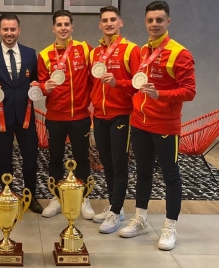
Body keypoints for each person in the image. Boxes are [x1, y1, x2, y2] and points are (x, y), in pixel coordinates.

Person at [118, 1, 196, 251]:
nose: (154, 24)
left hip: (165, 125)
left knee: (170, 176)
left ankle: (169, 227)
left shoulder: (179, 53)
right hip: (139, 123)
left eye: (159, 20)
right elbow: (136, 83)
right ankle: (140, 218)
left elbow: (190, 91)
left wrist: (160, 95)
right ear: (145, 22)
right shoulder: (142, 50)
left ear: (168, 22)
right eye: (150, 20)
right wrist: (117, 83)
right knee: (142, 173)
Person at [0, 13, 43, 214]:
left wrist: (36, 85)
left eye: (13, 29)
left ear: (19, 30)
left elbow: (35, 80)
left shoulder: (30, 53)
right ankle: (6, 194)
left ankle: (30, 196)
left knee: (31, 158)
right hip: (1, 117)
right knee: (5, 158)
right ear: (0, 30)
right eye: (5, 29)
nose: (9, 33)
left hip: (26, 117)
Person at [38, 10, 95, 219]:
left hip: (79, 116)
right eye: (59, 25)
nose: (63, 28)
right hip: (55, 117)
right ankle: (56, 198)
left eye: (66, 24)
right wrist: (46, 88)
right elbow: (40, 84)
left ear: (72, 27)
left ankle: (84, 198)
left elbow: (93, 78)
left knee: (82, 159)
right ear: (53, 28)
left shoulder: (84, 49)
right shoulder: (45, 54)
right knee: (54, 159)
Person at [89, 6, 140, 233]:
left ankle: (117, 211)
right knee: (106, 164)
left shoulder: (131, 50)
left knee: (119, 166)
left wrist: (117, 84)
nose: (108, 23)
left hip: (122, 114)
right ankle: (113, 207)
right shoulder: (94, 53)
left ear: (121, 22)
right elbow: (91, 84)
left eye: (113, 19)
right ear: (100, 25)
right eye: (104, 20)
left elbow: (140, 84)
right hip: (99, 115)